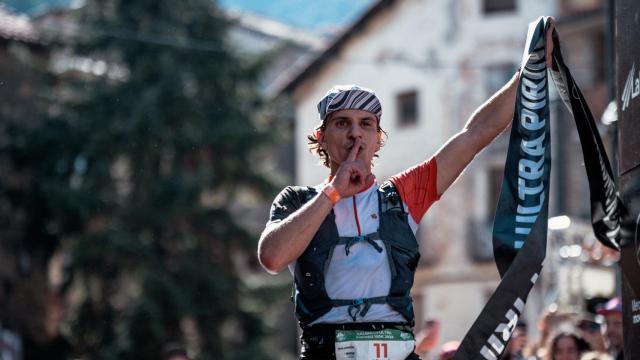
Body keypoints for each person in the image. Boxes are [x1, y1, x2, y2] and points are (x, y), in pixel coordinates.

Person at [258, 21, 555, 360]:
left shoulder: (400, 196)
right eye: (342, 123)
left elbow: (476, 133)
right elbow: (272, 257)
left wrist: (529, 71)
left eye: (366, 124)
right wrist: (333, 192)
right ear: (322, 139)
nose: (356, 134)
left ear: (378, 139)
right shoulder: (298, 201)